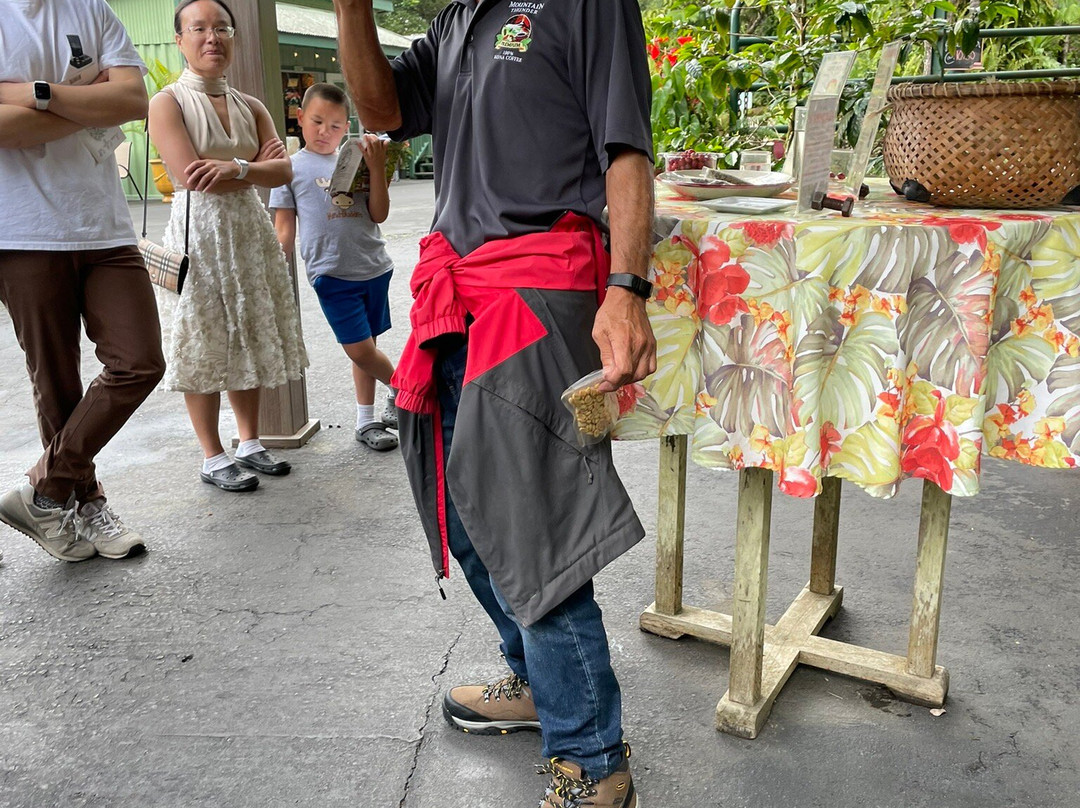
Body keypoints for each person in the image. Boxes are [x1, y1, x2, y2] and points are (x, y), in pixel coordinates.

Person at [333, 0, 657, 805]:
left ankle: (592, 756)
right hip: (461, 288)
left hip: (540, 284)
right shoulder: (454, 21)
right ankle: (537, 683)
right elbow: (383, 110)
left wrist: (626, 287)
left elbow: (626, 148)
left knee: (529, 523)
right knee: (459, 505)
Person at [0, 0, 165, 562]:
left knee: (140, 360)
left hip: (105, 226)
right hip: (23, 230)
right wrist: (88, 103)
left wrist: (32, 93)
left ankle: (44, 492)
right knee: (58, 382)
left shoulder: (93, 10)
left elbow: (132, 100)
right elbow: (4, 131)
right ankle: (82, 502)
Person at [148, 0, 308, 493]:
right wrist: (251, 166)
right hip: (200, 235)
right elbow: (189, 176)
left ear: (233, 38)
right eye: (198, 29)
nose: (211, 37)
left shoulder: (252, 104)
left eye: (221, 28)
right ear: (180, 40)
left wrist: (235, 168)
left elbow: (284, 171)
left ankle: (249, 442)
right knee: (204, 338)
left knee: (251, 329)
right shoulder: (167, 102)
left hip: (248, 233)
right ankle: (212, 455)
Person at [270, 84, 399, 452]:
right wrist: (277, 272)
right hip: (330, 273)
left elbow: (379, 214)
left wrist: (376, 168)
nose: (325, 131)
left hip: (373, 265)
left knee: (369, 348)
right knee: (358, 350)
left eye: (336, 125)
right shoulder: (290, 169)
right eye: (317, 122)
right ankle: (408, 388)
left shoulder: (359, 157)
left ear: (348, 127)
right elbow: (283, 228)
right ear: (299, 119)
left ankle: (366, 420)